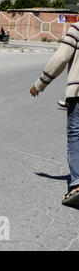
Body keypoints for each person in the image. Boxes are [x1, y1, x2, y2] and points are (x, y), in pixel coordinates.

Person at [30, 22, 79, 207]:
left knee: (76, 135)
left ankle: (77, 183)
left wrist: (41, 83)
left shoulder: (77, 29)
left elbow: (61, 58)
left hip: (78, 95)